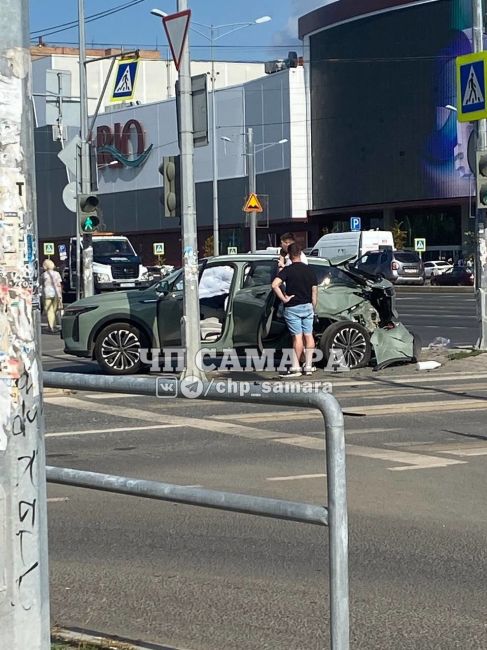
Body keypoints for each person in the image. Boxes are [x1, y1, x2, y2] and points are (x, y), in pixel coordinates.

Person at [272, 243, 318, 377]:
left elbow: (274, 285)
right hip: (308, 306)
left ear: (290, 255)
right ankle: (308, 366)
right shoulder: (309, 270)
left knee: (297, 338)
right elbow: (314, 291)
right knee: (308, 336)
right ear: (301, 253)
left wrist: (284, 299)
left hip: (293, 307)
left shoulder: (287, 270)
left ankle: (296, 366)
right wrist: (313, 306)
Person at [40, 259, 63, 333]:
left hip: (46, 293)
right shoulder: (57, 274)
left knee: (49, 311)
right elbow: (59, 285)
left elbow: (41, 284)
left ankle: (52, 327)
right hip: (56, 293)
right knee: (55, 310)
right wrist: (60, 295)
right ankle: (54, 325)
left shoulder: (44, 275)